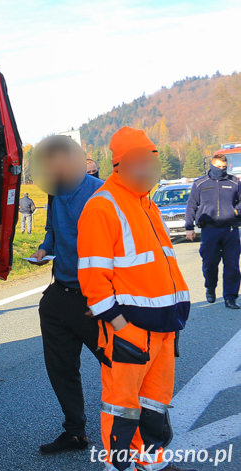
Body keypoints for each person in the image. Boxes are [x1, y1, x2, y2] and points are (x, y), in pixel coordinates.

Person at [78, 127, 193, 471]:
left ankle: (152, 460)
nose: (149, 170)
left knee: (155, 402)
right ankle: (120, 466)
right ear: (119, 166)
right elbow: (92, 275)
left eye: (152, 161)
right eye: (141, 162)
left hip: (164, 326)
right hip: (130, 328)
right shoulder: (103, 206)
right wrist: (118, 323)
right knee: (123, 406)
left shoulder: (146, 203)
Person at [28, 135, 104, 454]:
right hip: (61, 292)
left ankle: (149, 433)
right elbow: (52, 232)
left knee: (122, 365)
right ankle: (75, 432)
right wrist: (45, 248)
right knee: (61, 367)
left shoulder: (102, 192)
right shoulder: (55, 193)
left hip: (97, 297)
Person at [184, 152, 241, 309]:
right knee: (209, 263)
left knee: (232, 265)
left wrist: (236, 211)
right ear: (211, 166)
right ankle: (210, 287)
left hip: (230, 230)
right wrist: (189, 227)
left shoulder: (234, 182)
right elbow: (191, 205)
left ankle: (230, 297)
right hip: (209, 230)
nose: (221, 170)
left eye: (224, 167)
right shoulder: (200, 183)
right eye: (218, 167)